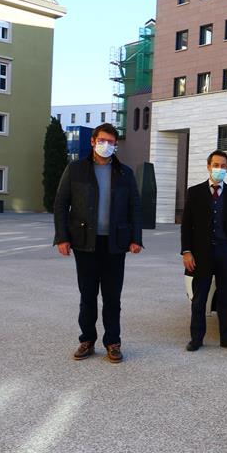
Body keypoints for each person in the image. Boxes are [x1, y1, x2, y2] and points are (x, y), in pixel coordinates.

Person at [53, 123, 143, 363]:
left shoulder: (124, 173)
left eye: (111, 142)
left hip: (115, 243)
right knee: (88, 295)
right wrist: (62, 237)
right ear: (93, 141)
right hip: (85, 242)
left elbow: (135, 206)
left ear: (115, 145)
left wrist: (136, 238)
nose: (107, 145)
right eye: (102, 140)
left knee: (113, 297)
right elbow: (61, 203)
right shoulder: (76, 169)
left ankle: (113, 342)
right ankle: (87, 340)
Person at [181, 150, 227, 352]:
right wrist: (186, 251)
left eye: (223, 165)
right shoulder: (195, 192)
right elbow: (186, 225)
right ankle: (196, 338)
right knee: (199, 298)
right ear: (209, 167)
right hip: (201, 254)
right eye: (216, 165)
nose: (219, 169)